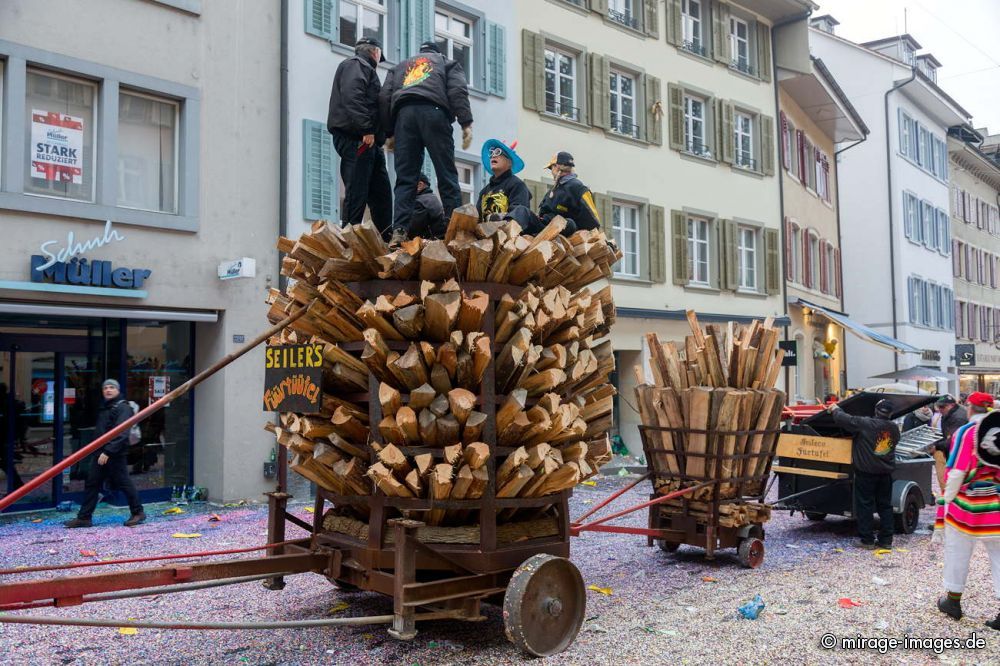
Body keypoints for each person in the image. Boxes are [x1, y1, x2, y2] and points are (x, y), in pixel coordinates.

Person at [380, 41, 473, 240]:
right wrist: (466, 123)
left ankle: (399, 232)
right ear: (436, 53)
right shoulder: (446, 62)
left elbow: (384, 97)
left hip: (404, 116)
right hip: (434, 112)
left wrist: (389, 132)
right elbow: (458, 91)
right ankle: (454, 229)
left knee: (405, 179)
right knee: (446, 173)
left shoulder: (399, 67)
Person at [934, 406, 1000, 629]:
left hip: (967, 505)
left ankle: (953, 602)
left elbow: (957, 471)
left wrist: (947, 500)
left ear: (970, 408)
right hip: (997, 502)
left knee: (957, 552)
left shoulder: (966, 432)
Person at [327, 37, 393, 239]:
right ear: (375, 52)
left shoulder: (363, 68)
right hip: (358, 138)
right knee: (357, 190)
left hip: (370, 141)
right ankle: (349, 238)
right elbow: (352, 96)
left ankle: (385, 239)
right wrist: (366, 129)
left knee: (381, 194)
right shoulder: (355, 65)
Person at [64, 379, 145, 528]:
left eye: (112, 387)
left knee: (124, 483)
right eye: (105, 388)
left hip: (114, 453)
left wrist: (108, 451)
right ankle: (84, 517)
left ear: (118, 390)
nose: (108, 390)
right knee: (92, 483)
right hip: (101, 452)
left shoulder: (123, 408)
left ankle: (138, 512)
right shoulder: (105, 407)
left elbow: (122, 432)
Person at [828, 399, 900, 549]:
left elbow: (845, 419)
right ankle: (886, 540)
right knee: (885, 506)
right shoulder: (893, 428)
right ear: (890, 413)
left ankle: (867, 540)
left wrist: (835, 408)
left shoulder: (866, 424)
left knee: (865, 506)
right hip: (885, 473)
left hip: (866, 473)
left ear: (876, 411)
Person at [507, 152, 600, 236]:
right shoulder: (555, 189)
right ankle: (505, 223)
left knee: (569, 223)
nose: (551, 172)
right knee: (522, 211)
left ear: (556, 167)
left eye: (551, 168)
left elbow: (593, 220)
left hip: (563, 230)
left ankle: (507, 229)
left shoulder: (579, 188)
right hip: (545, 226)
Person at [476, 139, 530, 220]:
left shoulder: (517, 185)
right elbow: (477, 218)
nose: (493, 156)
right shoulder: (484, 191)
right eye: (491, 153)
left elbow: (518, 216)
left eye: (498, 152)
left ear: (509, 162)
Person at [934, 395, 968, 492]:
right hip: (954, 451)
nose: (940, 409)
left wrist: (937, 446)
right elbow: (947, 435)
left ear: (951, 405)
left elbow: (954, 440)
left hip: (960, 453)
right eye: (938, 407)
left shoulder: (958, 417)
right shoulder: (948, 414)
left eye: (942, 407)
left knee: (957, 480)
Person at [408, 174, 446, 240]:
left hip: (430, 244)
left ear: (420, 185)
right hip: (438, 241)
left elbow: (412, 230)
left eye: (408, 186)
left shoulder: (420, 202)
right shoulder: (431, 198)